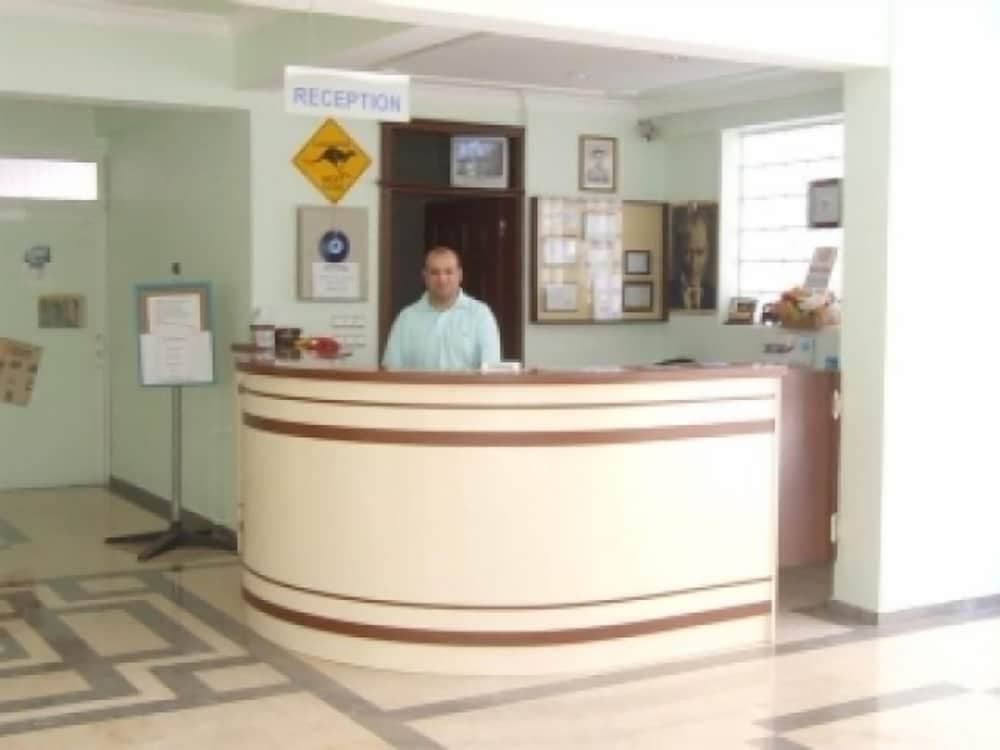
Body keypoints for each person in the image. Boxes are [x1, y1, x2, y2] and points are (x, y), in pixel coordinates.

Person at [382, 246, 502, 371]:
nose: (442, 279)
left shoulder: (481, 315)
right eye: (434, 272)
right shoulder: (406, 318)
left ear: (460, 275)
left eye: (448, 272)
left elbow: (492, 371)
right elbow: (390, 370)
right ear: (424, 276)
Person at [668, 209, 717, 310]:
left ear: (708, 253)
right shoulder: (665, 293)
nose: (693, 263)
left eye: (700, 252)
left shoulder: (715, 296)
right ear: (678, 252)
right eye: (687, 252)